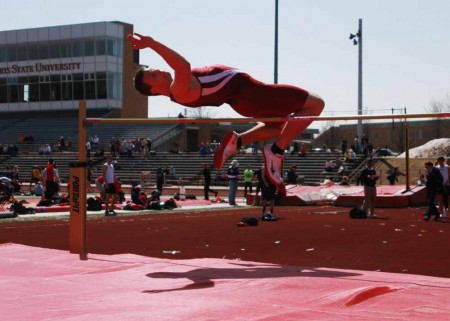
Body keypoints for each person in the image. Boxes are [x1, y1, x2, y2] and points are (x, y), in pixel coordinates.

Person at [128, 33, 324, 186]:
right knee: (316, 104)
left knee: (276, 128)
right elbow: (182, 65)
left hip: (245, 98)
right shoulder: (178, 90)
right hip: (251, 94)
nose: (160, 71)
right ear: (154, 90)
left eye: (155, 70)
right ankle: (276, 150)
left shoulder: (178, 90)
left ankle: (238, 141)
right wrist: (152, 44)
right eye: (154, 75)